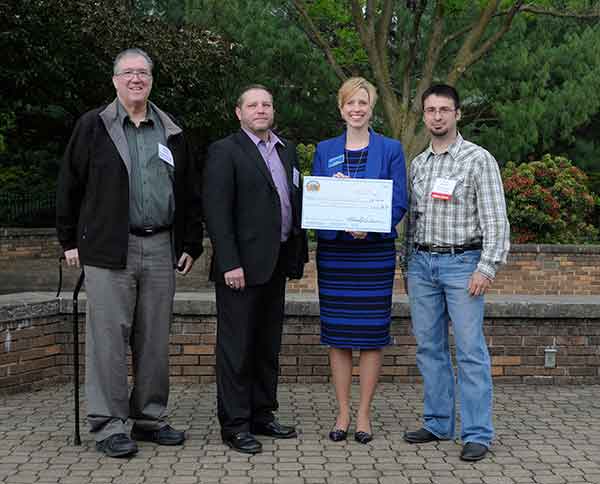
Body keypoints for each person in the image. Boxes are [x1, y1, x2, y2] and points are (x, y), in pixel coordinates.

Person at [56, 48, 203, 458]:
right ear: (115, 80)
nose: (136, 79)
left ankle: (149, 418)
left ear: (151, 80)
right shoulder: (93, 126)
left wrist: (191, 242)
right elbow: (69, 184)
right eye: (128, 73)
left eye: (143, 73)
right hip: (108, 248)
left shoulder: (171, 130)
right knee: (108, 339)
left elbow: (189, 191)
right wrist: (69, 241)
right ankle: (108, 424)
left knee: (154, 340)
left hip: (160, 247)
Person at [403, 84, 510, 461]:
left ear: (457, 114)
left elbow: (496, 219)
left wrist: (487, 267)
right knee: (429, 348)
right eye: (430, 110)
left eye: (444, 110)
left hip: (463, 265)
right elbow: (412, 221)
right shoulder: (418, 164)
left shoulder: (478, 159)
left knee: (469, 351)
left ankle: (477, 433)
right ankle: (437, 422)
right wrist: (407, 266)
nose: (437, 116)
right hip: (422, 266)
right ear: (424, 115)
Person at [202, 84, 307, 455]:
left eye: (266, 104)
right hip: (240, 269)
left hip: (276, 263)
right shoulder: (225, 151)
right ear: (239, 112)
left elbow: (295, 200)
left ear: (273, 111)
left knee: (266, 345)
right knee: (237, 348)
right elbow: (216, 211)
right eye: (253, 105)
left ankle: (262, 413)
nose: (261, 110)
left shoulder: (286, 150)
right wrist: (229, 262)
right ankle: (235, 424)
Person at [311, 77, 407, 444]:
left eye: (363, 103)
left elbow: (399, 199)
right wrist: (334, 200)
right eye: (350, 103)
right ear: (341, 109)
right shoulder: (325, 150)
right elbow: (317, 198)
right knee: (337, 336)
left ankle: (364, 413)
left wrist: (372, 225)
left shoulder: (391, 149)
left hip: (374, 254)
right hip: (336, 254)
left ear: (371, 108)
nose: (356, 109)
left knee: (370, 336)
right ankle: (342, 412)